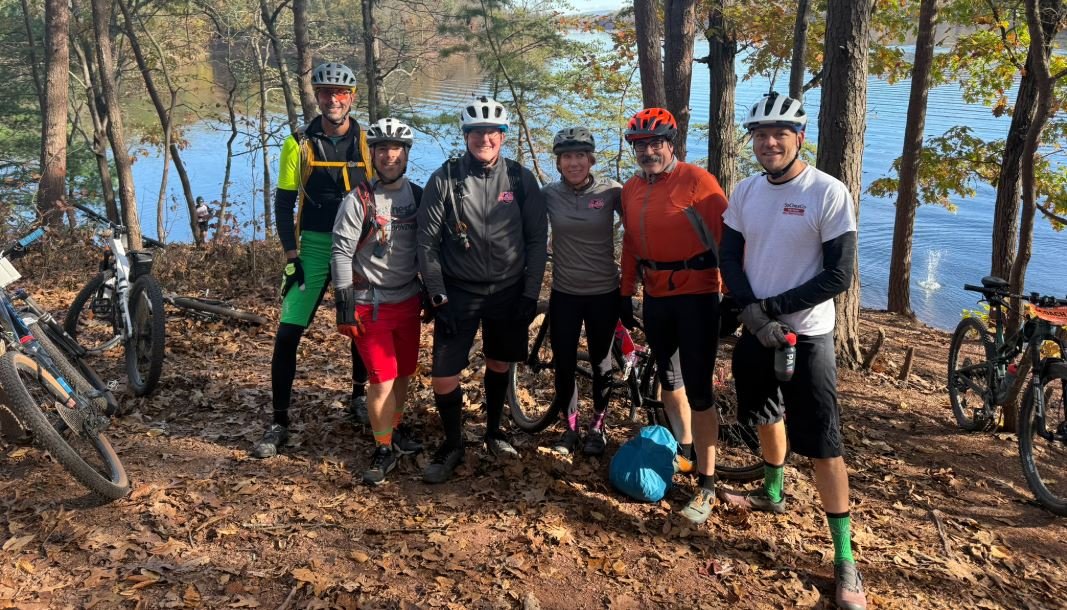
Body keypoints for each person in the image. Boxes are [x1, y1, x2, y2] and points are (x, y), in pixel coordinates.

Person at [717, 92, 866, 610]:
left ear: (799, 137)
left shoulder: (828, 191)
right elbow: (730, 257)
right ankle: (773, 492)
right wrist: (749, 310)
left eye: (780, 133)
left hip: (808, 336)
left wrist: (772, 307)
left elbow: (838, 274)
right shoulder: (746, 191)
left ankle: (845, 559)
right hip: (756, 333)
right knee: (763, 413)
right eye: (760, 135)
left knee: (825, 444)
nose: (769, 142)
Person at [417, 96, 548, 483]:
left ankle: (494, 430)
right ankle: (454, 443)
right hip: (458, 291)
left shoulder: (522, 180)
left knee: (499, 363)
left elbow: (537, 241)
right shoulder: (445, 178)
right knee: (444, 375)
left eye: (491, 132)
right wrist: (437, 294)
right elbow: (426, 243)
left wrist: (529, 293)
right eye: (476, 132)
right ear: (466, 136)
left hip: (508, 291)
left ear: (502, 136)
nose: (484, 139)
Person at [251, 62, 372, 459]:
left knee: (359, 328)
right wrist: (292, 256)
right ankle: (279, 421)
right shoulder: (298, 143)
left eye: (340, 93)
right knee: (288, 333)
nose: (333, 99)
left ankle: (358, 399)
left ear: (352, 98)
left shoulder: (368, 141)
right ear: (317, 97)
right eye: (325, 92)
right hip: (316, 245)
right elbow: (284, 205)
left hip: (359, 244)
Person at [617, 107, 728, 524]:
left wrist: (731, 297)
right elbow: (630, 244)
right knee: (669, 379)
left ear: (671, 143)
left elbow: (727, 243)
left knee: (699, 391)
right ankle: (683, 453)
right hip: (656, 297)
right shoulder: (631, 189)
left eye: (655, 143)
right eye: (640, 145)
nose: (648, 151)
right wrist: (625, 293)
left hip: (697, 296)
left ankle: (708, 483)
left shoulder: (698, 182)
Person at [331, 118, 425, 485]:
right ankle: (382, 447)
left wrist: (432, 292)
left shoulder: (416, 194)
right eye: (382, 149)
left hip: (408, 300)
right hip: (370, 303)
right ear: (372, 155)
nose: (389, 155)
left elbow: (427, 248)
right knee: (382, 380)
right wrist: (343, 304)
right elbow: (340, 252)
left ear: (406, 154)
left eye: (396, 149)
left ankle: (395, 427)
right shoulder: (359, 199)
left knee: (403, 373)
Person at [541, 127, 622, 456]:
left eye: (579, 156)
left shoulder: (612, 191)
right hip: (565, 292)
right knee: (563, 361)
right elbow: (523, 226)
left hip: (604, 291)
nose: (573, 163)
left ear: (590, 159)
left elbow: (641, 225)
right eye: (566, 157)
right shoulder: (548, 194)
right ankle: (570, 426)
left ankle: (598, 426)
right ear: (558, 162)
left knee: (602, 361)